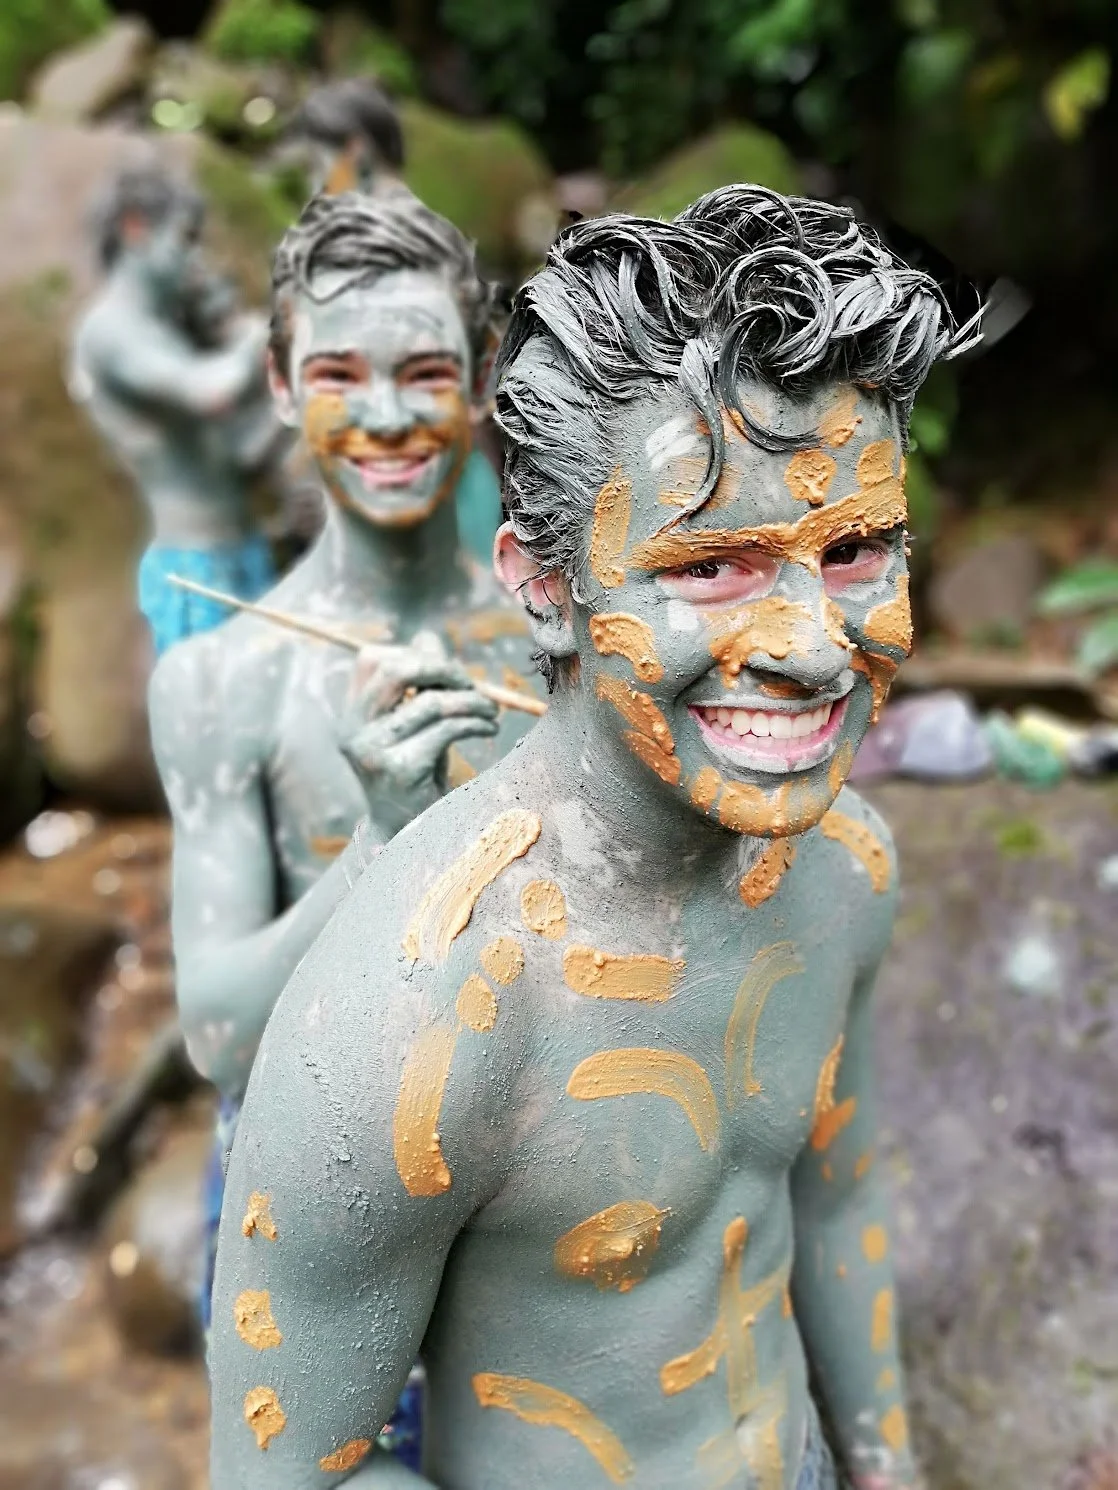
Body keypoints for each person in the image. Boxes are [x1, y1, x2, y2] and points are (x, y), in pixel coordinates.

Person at [208, 184, 980, 1489]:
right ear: (543, 585)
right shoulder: (412, 1012)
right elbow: (285, 1474)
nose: (810, 645)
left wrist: (883, 1466)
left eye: (855, 550)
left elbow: (834, 1194)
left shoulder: (843, 868)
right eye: (709, 566)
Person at [148, 190, 543, 1461]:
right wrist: (380, 841)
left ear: (479, 378)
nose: (383, 417)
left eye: (423, 372)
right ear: (278, 385)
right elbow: (217, 1034)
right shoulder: (224, 681)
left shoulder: (563, 653)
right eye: (336, 374)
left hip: (533, 1206)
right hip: (315, 1201)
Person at [285, 77, 504, 566]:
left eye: (316, 163)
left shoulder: (364, 246)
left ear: (354, 151)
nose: (313, 183)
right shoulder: (438, 233)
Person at [71, 165, 281, 655]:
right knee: (209, 704)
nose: (194, 258)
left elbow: (241, 454)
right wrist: (264, 332)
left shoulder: (168, 328)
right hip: (194, 568)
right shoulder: (109, 330)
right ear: (136, 229)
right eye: (184, 239)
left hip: (245, 549)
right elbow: (209, 392)